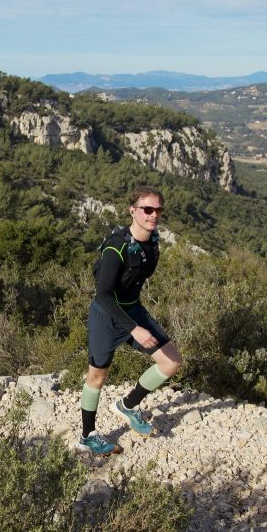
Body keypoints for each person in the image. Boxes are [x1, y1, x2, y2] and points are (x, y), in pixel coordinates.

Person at [78, 186, 183, 456]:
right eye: (147, 209)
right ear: (133, 210)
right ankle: (87, 435)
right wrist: (133, 328)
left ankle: (127, 405)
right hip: (107, 315)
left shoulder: (152, 242)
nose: (154, 215)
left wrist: (136, 320)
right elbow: (102, 294)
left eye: (158, 209)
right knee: (97, 377)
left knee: (171, 361)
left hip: (132, 309)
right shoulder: (117, 247)